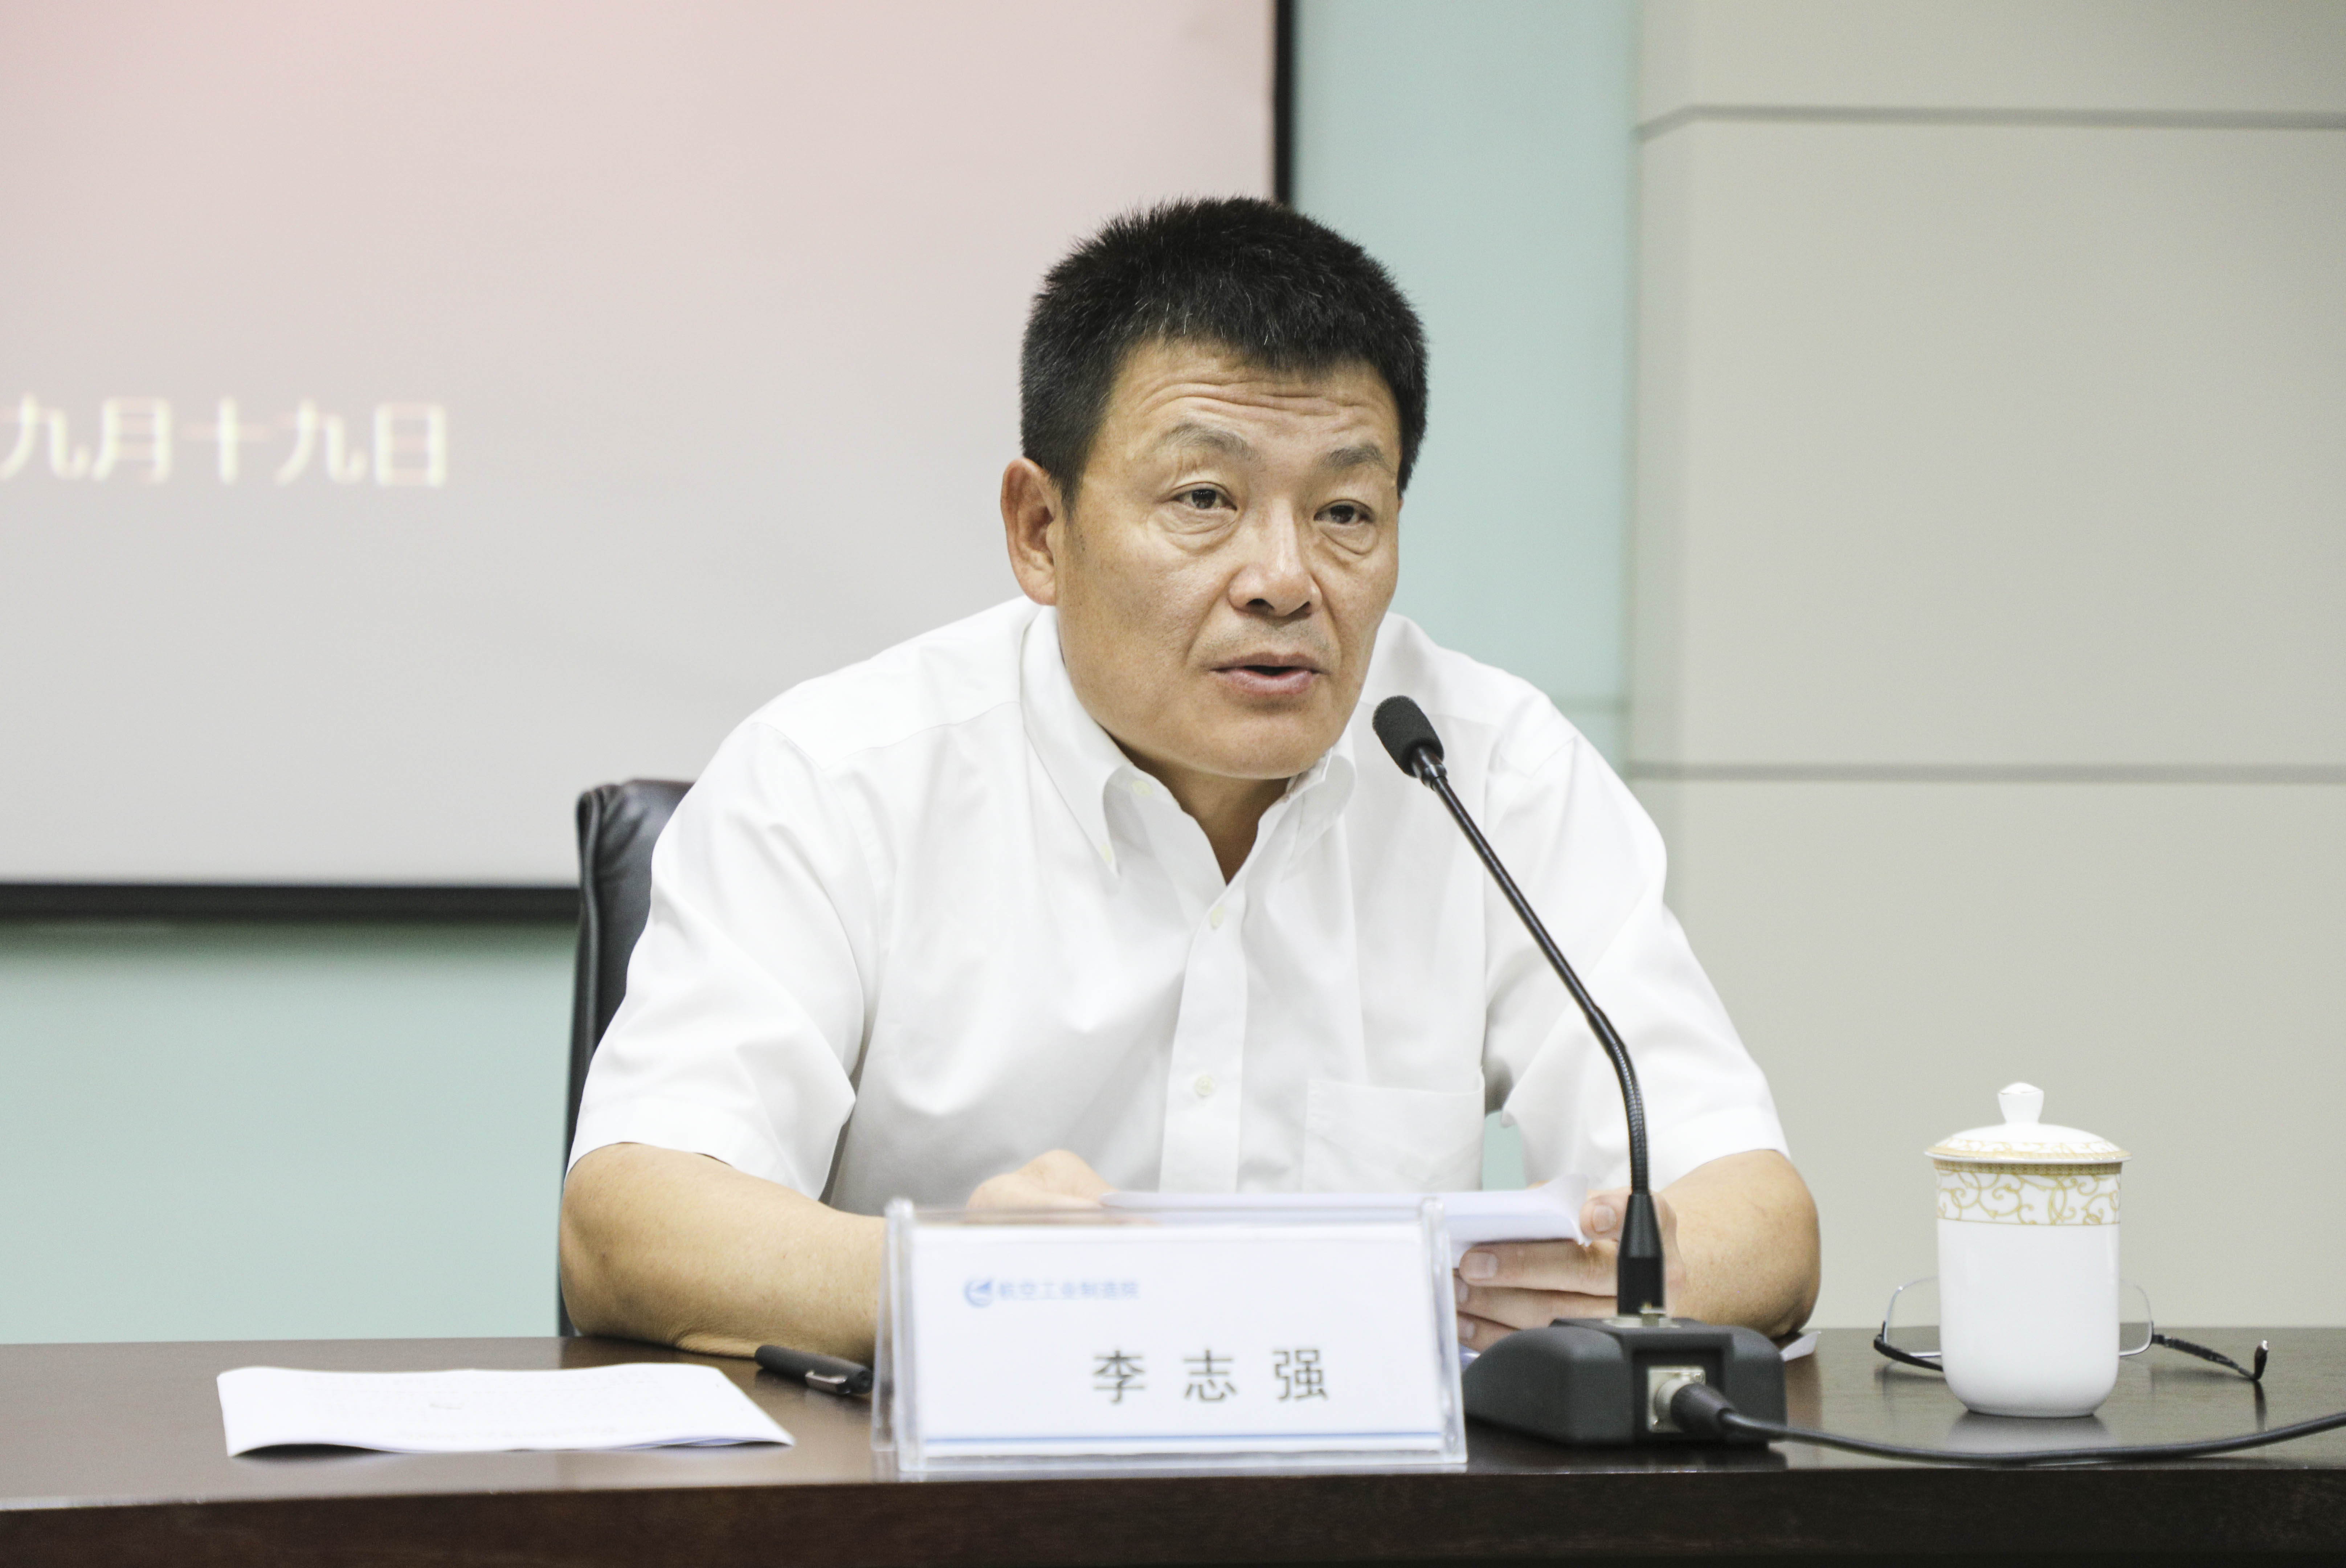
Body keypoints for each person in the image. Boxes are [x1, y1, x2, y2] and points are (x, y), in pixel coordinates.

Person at [561, 197, 1819, 1361]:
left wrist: (1638, 1277)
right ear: (1040, 531)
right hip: (942, 1497)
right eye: (1206, 498)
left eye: (1346, 513)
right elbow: (627, 1226)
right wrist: (954, 1280)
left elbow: (1762, 1219)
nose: (1284, 579)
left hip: (1366, 1497)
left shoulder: (1487, 770)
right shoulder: (838, 776)